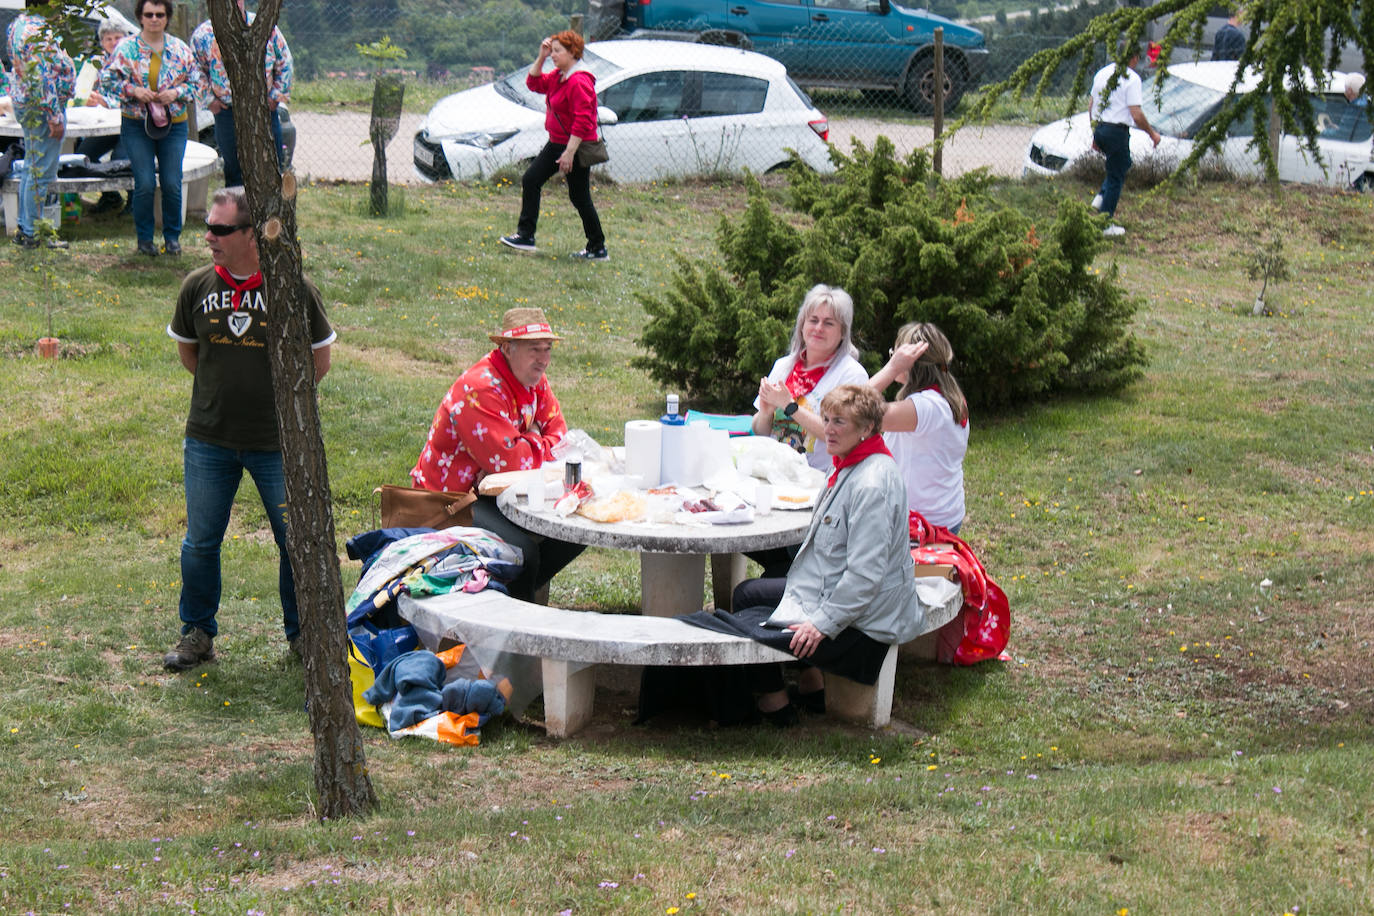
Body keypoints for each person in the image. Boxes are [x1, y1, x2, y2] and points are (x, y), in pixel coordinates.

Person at [162, 186, 336, 671]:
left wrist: (281, 404)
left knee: (292, 538)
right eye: (208, 228)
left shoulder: (290, 287)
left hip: (275, 442)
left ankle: (302, 636)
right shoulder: (197, 285)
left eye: (220, 230)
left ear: (251, 234)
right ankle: (197, 634)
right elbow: (190, 352)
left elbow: (318, 359)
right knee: (200, 541)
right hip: (209, 438)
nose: (209, 237)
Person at [683, 385, 922, 725]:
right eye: (826, 419)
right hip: (839, 589)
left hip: (868, 618)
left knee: (743, 604)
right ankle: (807, 684)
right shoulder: (852, 463)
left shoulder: (872, 483)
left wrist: (821, 624)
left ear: (867, 428)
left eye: (840, 421)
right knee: (754, 588)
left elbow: (865, 577)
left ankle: (774, 702)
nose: (828, 429)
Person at [410, 307, 586, 602]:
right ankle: (515, 614)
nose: (543, 359)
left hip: (491, 492)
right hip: (448, 502)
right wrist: (531, 439)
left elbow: (560, 439)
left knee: (576, 531)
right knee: (521, 554)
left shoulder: (534, 380)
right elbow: (513, 462)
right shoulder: (479, 388)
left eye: (548, 349)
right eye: (534, 349)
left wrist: (523, 444)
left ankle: (513, 594)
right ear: (506, 348)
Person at [99, 0, 200, 257]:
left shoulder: (180, 49)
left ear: (167, 18)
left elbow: (197, 83)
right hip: (136, 124)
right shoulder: (126, 48)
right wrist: (133, 91)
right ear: (140, 17)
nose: (154, 19)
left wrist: (176, 93)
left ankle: (172, 238)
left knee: (172, 182)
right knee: (143, 182)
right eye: (149, 14)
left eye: (160, 14)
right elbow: (107, 80)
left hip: (174, 125)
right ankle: (144, 239)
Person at [498, 30, 607, 262]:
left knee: (579, 197)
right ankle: (526, 237)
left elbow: (584, 119)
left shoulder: (579, 80)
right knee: (532, 180)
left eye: (558, 51)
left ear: (573, 53)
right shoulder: (560, 76)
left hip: (574, 146)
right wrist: (541, 56)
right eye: (553, 51)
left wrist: (569, 152)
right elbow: (534, 83)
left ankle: (597, 248)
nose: (554, 56)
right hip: (557, 142)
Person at [751, 284, 869, 472]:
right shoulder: (784, 366)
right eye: (813, 320)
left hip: (820, 484)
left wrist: (790, 406)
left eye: (829, 323)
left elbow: (842, 435)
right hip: (774, 474)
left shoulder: (852, 375)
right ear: (802, 325)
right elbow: (760, 431)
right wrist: (765, 413)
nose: (819, 328)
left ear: (842, 333)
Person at [867, 323, 969, 533]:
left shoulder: (926, 407)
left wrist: (891, 368)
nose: (892, 357)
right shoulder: (946, 397)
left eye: (895, 353)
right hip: (943, 515)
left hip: (922, 525)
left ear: (910, 362)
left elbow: (847, 408)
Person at [190, 0, 292, 186]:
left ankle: (272, 214)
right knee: (235, 169)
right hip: (227, 112)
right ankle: (238, 213)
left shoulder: (264, 27)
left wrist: (275, 97)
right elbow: (195, 71)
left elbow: (284, 61)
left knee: (271, 166)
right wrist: (209, 101)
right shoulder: (203, 35)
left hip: (264, 110)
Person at [6, 0, 75, 249]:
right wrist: (54, 115)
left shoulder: (18, 24)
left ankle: (26, 229)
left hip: (28, 104)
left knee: (32, 169)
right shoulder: (37, 32)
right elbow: (40, 75)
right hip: (42, 108)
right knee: (41, 173)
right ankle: (33, 232)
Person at [1088, 41, 1162, 239]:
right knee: (1116, 177)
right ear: (1134, 58)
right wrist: (1152, 133)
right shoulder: (1132, 78)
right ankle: (1105, 223)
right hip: (1117, 131)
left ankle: (1101, 197)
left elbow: (1091, 104)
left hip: (1101, 127)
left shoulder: (1102, 73)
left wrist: (1094, 132)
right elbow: (1136, 114)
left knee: (1122, 164)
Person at [75, 18, 136, 216]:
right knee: (82, 155)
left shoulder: (134, 60)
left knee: (121, 158)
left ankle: (134, 202)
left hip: (131, 123)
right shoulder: (96, 63)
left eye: (117, 37)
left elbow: (136, 97)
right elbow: (81, 91)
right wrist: (86, 98)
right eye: (107, 39)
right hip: (103, 124)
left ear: (126, 38)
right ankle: (110, 195)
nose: (113, 42)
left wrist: (105, 102)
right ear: (101, 42)